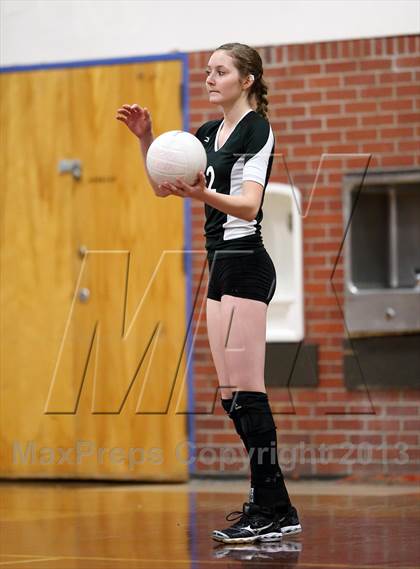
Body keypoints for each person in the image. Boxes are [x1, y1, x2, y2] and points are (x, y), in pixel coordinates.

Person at [116, 42, 301, 544]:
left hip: (247, 263)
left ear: (246, 80)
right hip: (220, 266)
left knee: (249, 391)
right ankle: (274, 502)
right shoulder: (201, 135)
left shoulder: (257, 129)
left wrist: (203, 194)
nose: (210, 78)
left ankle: (271, 506)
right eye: (207, 71)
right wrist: (147, 140)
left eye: (221, 71)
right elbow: (163, 188)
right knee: (229, 397)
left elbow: (247, 207)